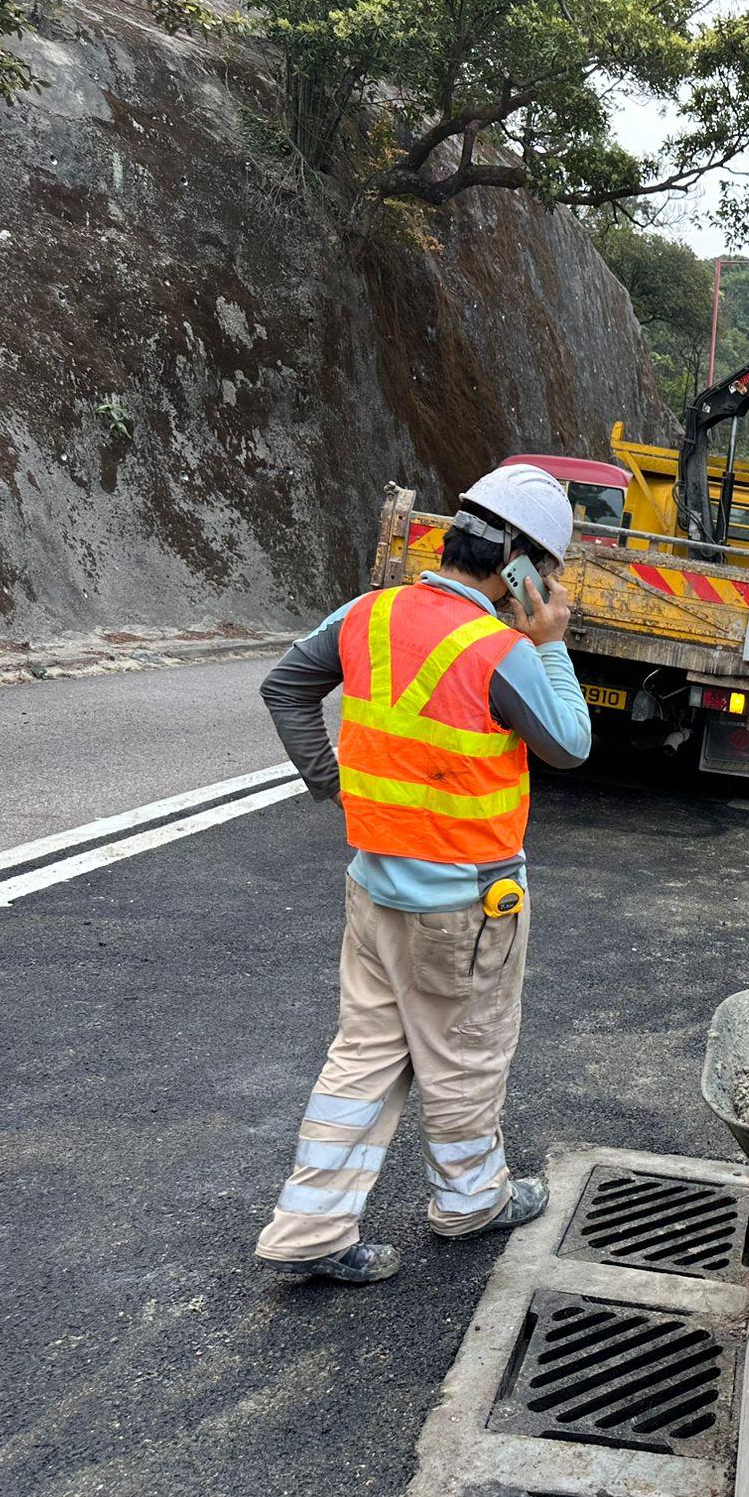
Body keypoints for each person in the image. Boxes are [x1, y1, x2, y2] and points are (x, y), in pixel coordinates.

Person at [253, 465, 593, 1284]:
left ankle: (310, 1230)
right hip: (466, 907)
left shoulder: (368, 614)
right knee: (467, 1051)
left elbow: (285, 685)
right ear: (517, 563)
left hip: (374, 888)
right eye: (542, 570)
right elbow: (570, 744)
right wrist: (549, 643)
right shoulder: (500, 649)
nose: (545, 585)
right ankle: (472, 1200)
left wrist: (331, 781)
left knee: (364, 1053)